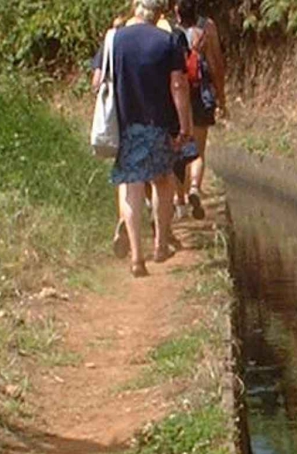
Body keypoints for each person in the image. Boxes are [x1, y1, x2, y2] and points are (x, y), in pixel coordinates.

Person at [91, 0, 196, 276]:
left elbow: (96, 82)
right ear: (159, 13)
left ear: (135, 8)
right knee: (163, 181)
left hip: (124, 126)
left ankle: (137, 257)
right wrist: (185, 124)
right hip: (157, 125)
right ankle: (161, 245)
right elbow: (178, 84)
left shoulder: (114, 39)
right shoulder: (168, 40)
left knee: (131, 186)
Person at [175, 0, 226, 220]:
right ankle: (195, 187)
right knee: (198, 149)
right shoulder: (208, 28)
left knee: (179, 148)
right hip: (201, 93)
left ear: (177, 12)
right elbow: (216, 64)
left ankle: (181, 200)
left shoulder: (170, 30)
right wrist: (221, 97)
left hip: (178, 97)